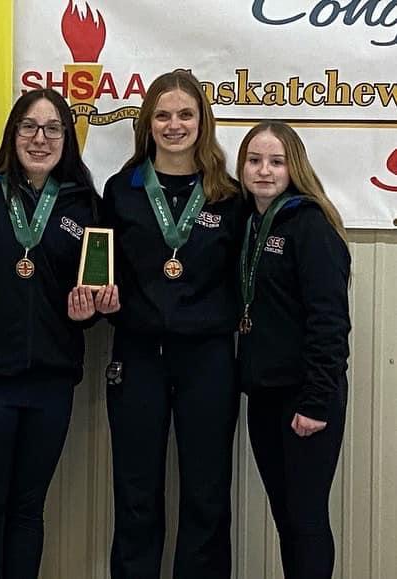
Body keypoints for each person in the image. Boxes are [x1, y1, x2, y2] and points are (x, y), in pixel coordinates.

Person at [0, 88, 118, 579]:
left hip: (50, 382)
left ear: (67, 137)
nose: (39, 139)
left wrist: (90, 312)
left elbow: (91, 295)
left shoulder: (86, 206)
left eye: (52, 129)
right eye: (29, 126)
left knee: (28, 510)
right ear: (13, 133)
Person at [101, 69, 243, 579]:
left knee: (207, 493)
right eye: (162, 115)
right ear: (147, 123)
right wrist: (100, 299)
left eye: (185, 114)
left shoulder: (228, 196)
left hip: (208, 358)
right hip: (138, 355)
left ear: (203, 121)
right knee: (136, 492)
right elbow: (104, 272)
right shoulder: (122, 190)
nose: (174, 125)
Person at [236, 121, 350, 579]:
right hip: (265, 394)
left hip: (306, 398)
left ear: (294, 168)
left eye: (276, 162)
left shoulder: (311, 226)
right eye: (254, 160)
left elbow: (330, 323)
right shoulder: (248, 223)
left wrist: (316, 401)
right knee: (285, 517)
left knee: (306, 519)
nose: (264, 171)